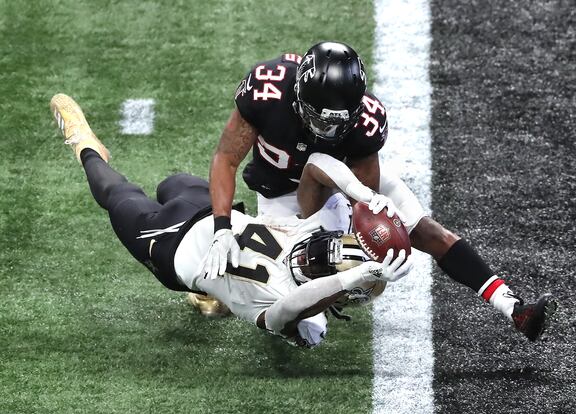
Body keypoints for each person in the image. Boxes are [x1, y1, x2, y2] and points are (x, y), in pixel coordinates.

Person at [204, 41, 558, 341]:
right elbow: (225, 159)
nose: (327, 131)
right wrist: (221, 228)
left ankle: (513, 307)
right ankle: (222, 283)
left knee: (425, 230)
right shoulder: (268, 89)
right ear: (299, 98)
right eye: (321, 120)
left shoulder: (365, 122)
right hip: (281, 197)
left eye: (337, 123)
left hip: (345, 184)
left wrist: (366, 244)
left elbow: (366, 198)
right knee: (304, 328)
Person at [49, 93, 412, 348]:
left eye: (321, 262)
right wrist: (362, 193)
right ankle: (213, 294)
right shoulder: (313, 230)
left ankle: (84, 146)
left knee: (117, 194)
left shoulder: (300, 311)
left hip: (172, 249)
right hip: (213, 213)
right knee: (170, 183)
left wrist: (355, 276)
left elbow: (290, 309)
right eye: (325, 250)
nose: (311, 254)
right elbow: (318, 164)